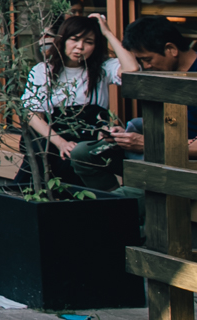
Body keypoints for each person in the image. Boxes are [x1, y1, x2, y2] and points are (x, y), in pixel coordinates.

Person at [22, 12, 139, 188]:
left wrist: (107, 33)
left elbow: (132, 69)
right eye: (74, 39)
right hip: (52, 142)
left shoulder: (103, 68)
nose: (80, 47)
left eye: (89, 42)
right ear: (63, 40)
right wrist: (61, 142)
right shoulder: (43, 70)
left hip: (87, 142)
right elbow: (32, 113)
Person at [120, 16, 197, 160]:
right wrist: (125, 137)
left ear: (171, 49)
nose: (146, 66)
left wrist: (150, 144)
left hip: (185, 157)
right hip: (172, 140)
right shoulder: (167, 74)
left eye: (147, 60)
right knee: (87, 153)